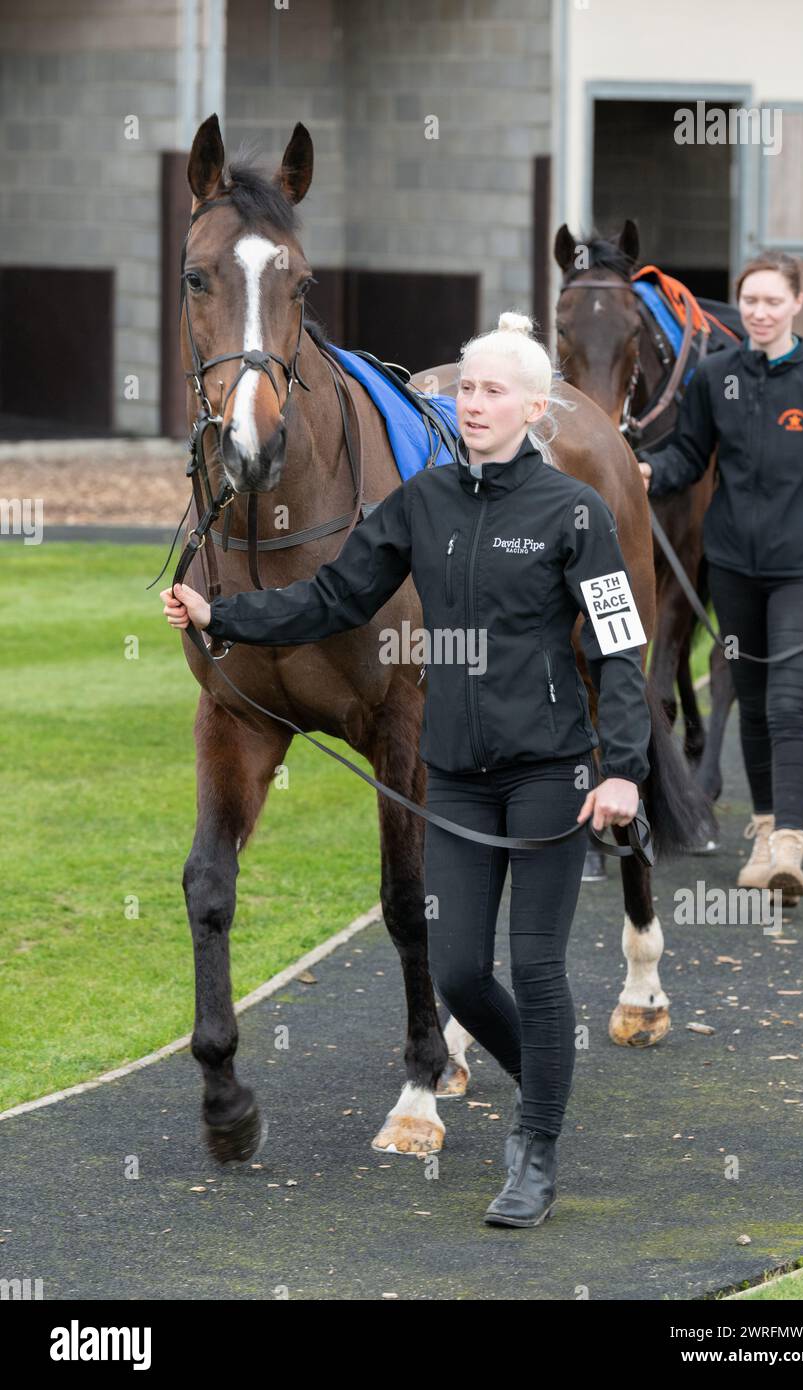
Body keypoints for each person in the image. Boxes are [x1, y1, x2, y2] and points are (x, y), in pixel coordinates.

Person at [162, 311, 652, 1228]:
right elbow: (333, 596)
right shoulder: (423, 502)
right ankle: (547, 1082)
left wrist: (621, 770)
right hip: (456, 774)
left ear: (534, 408)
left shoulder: (575, 512)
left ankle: (535, 1145)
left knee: (535, 968)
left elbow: (620, 646)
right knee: (460, 974)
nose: (473, 402)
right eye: (466, 388)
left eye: (493, 390)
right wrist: (223, 617)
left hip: (549, 773)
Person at [637, 251, 803, 906]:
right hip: (735, 570)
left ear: (797, 303)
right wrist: (647, 470)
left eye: (772, 301)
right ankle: (765, 836)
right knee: (757, 705)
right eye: (751, 301)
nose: (760, 312)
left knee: (789, 705)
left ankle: (789, 844)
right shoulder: (714, 378)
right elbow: (688, 455)